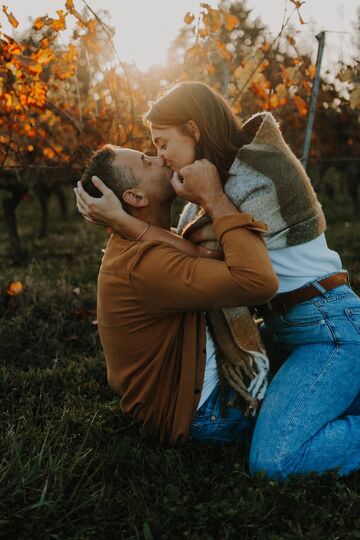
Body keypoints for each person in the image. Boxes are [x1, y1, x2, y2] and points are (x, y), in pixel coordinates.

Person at [76, 81, 360, 479]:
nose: (160, 157)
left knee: (274, 460)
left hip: (327, 323)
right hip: (289, 328)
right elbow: (194, 255)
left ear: (193, 131)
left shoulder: (258, 172)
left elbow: (242, 272)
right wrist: (126, 221)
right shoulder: (201, 198)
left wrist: (136, 218)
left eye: (161, 144)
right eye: (150, 152)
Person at [75, 144, 278, 446]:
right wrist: (213, 197)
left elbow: (205, 257)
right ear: (135, 197)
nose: (160, 157)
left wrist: (123, 220)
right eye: (147, 161)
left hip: (197, 390)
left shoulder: (140, 241)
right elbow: (256, 280)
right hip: (203, 414)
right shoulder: (147, 264)